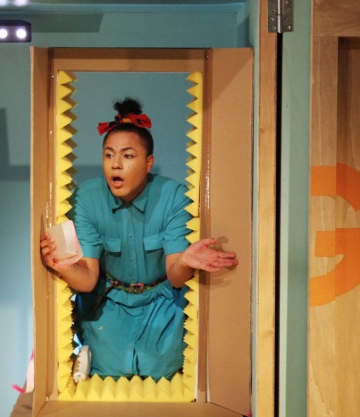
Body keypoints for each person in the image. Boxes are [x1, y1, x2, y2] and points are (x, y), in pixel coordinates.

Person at [40, 97, 238, 380]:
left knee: (166, 373)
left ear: (148, 163)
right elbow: (88, 279)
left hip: (163, 305)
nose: (116, 165)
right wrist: (61, 265)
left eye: (128, 156)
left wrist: (185, 260)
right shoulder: (86, 198)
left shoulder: (173, 196)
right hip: (108, 305)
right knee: (107, 377)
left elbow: (176, 277)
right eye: (109, 155)